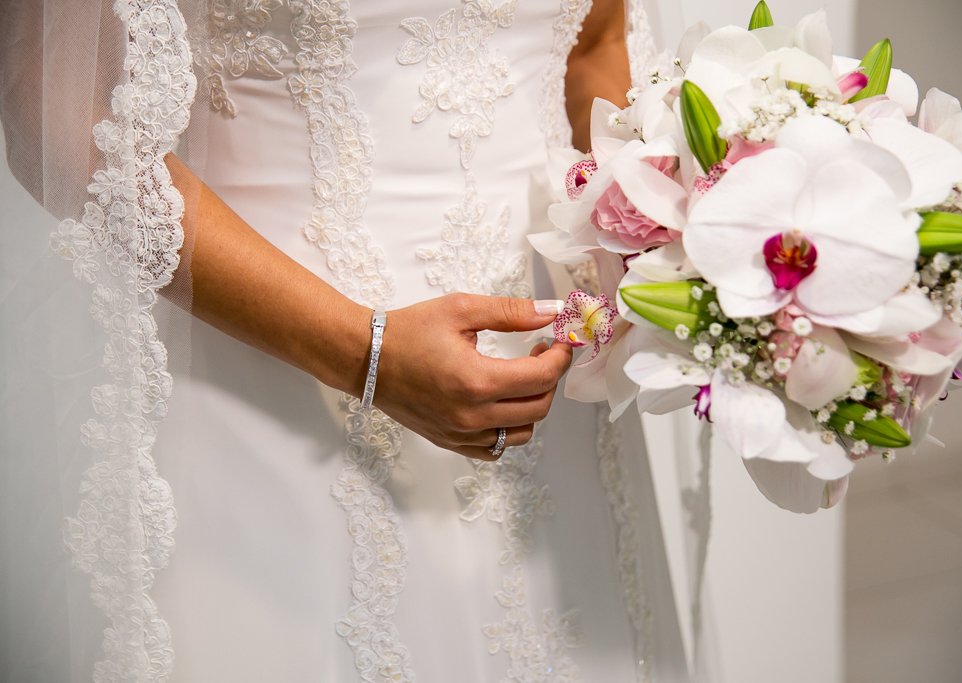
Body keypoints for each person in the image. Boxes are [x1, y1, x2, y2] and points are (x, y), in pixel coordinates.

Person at [0, 0, 696, 681]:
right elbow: (56, 112)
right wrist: (368, 355)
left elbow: (594, 40)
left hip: (561, 407)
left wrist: (654, 238)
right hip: (280, 384)